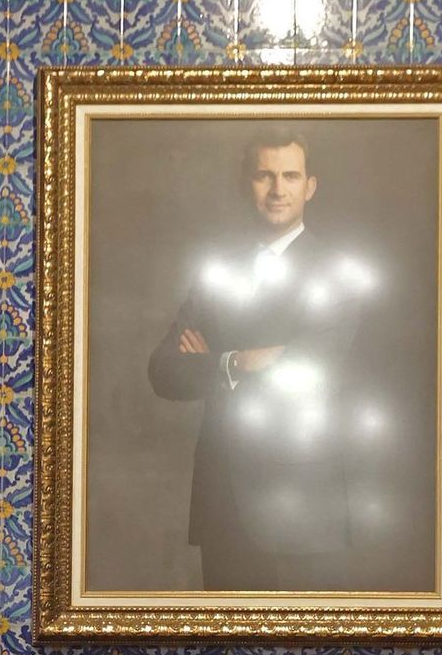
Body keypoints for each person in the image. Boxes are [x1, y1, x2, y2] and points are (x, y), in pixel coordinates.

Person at [147, 126, 372, 592]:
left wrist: (213, 364)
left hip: (303, 510)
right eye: (264, 175)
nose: (277, 189)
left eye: (290, 176)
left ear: (310, 186)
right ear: (245, 183)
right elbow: (164, 371)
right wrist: (237, 362)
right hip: (222, 500)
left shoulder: (338, 272)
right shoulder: (216, 273)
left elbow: (308, 378)